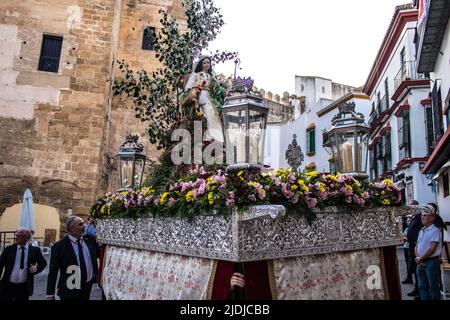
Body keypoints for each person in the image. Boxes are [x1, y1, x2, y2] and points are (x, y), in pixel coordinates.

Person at [46, 216, 99, 300]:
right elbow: (53, 271)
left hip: (87, 285)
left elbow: (98, 254)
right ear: (72, 229)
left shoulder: (89, 239)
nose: (84, 225)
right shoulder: (59, 246)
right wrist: (50, 294)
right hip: (69, 288)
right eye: (80, 224)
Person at [183, 56, 224, 143]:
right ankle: (207, 137)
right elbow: (188, 87)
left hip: (209, 98)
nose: (206, 65)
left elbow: (216, 89)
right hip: (200, 96)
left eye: (208, 63)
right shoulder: (197, 75)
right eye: (204, 63)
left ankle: (217, 137)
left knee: (213, 116)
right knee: (206, 115)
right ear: (201, 64)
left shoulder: (211, 77)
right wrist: (197, 89)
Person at [0, 228, 47, 300]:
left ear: (27, 238)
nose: (16, 237)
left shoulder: (35, 250)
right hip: (8, 285)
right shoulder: (9, 249)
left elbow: (43, 263)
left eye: (19, 236)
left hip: (24, 287)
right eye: (16, 235)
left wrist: (37, 268)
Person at [415, 209, 442, 300]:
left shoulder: (435, 230)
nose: (422, 217)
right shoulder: (421, 230)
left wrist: (420, 258)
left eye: (425, 215)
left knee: (433, 288)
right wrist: (418, 258)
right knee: (422, 287)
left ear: (432, 218)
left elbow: (432, 248)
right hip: (420, 261)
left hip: (431, 262)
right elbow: (417, 246)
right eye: (422, 215)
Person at [406, 199, 423, 298]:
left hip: (416, 246)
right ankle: (417, 289)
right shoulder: (414, 217)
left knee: (417, 269)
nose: (409, 208)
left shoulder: (420, 217)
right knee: (414, 268)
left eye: (410, 206)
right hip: (412, 246)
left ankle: (419, 291)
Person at [402, 216, 413, 284]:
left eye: (409, 220)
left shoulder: (412, 229)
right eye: (407, 220)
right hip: (405, 247)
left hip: (409, 247)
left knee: (410, 263)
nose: (407, 221)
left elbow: (409, 238)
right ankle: (409, 277)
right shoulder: (406, 228)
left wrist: (404, 237)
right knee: (407, 263)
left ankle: (410, 277)